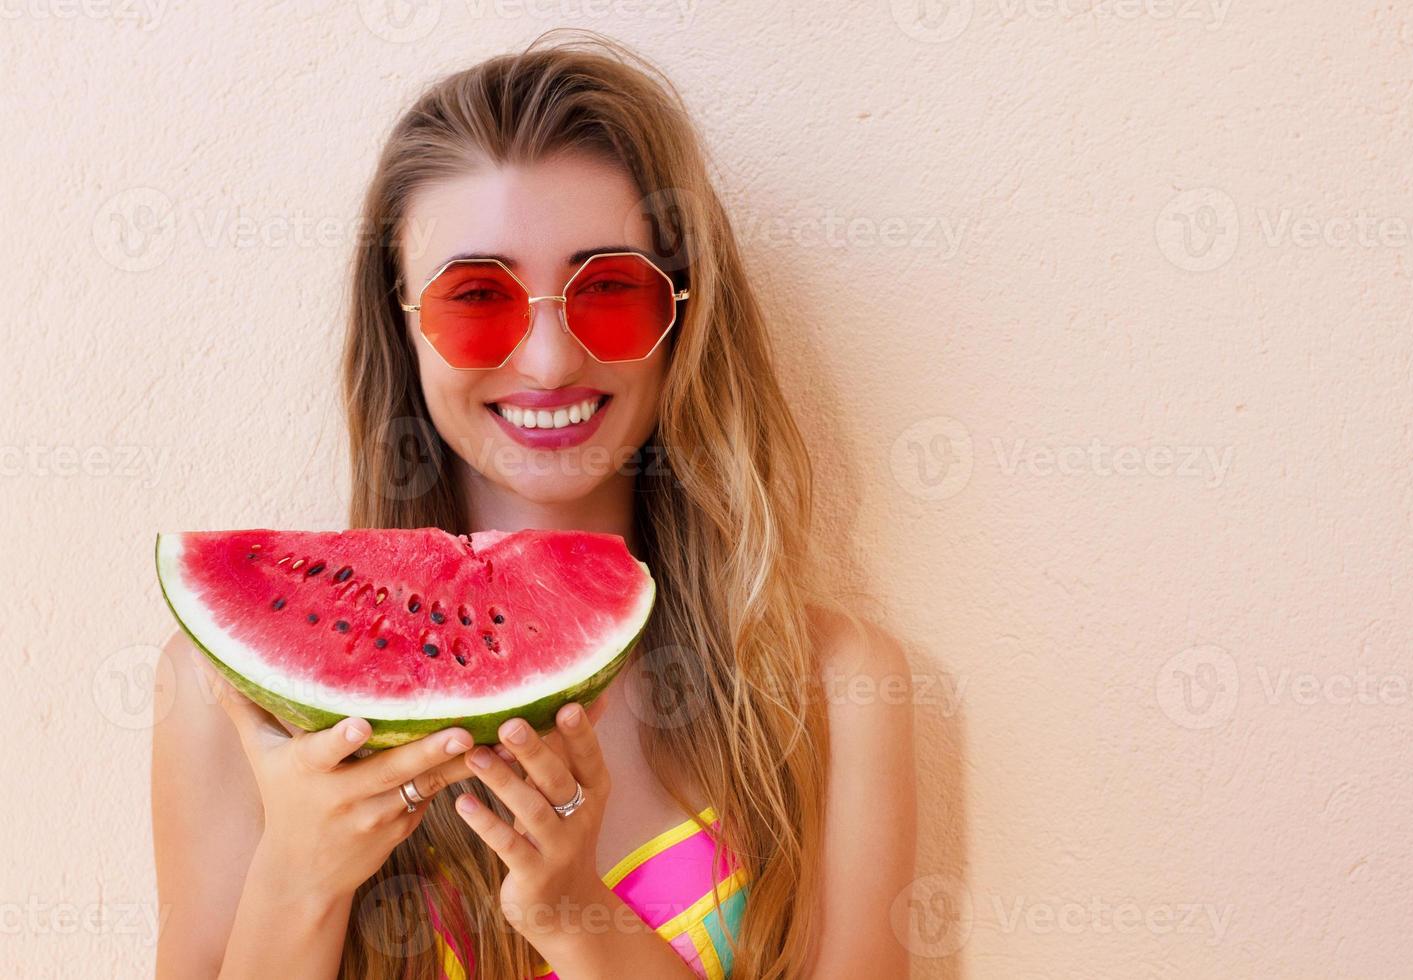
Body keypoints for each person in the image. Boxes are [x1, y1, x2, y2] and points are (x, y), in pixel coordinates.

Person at [152, 29, 915, 980]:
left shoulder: (835, 692)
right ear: (404, 328)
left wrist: (577, 917)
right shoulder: (225, 695)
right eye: (477, 296)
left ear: (685, 315)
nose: (551, 362)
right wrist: (300, 882)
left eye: (608, 290)